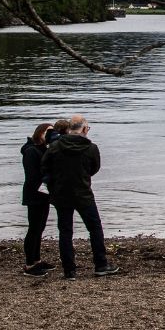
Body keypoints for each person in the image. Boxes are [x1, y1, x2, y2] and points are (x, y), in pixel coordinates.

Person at [40, 114, 120, 278]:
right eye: (87, 128)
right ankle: (100, 264)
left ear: (70, 128)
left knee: (65, 231)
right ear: (84, 129)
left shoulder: (55, 147)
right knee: (95, 228)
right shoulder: (91, 148)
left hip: (61, 194)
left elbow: (45, 166)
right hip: (83, 193)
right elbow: (94, 169)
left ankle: (69, 271)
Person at [20, 122, 55, 276]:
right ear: (39, 133)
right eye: (47, 132)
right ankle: (29, 264)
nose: (49, 135)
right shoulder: (31, 151)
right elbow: (32, 175)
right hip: (34, 194)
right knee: (33, 228)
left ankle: (37, 260)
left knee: (40, 227)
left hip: (44, 194)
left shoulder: (44, 149)